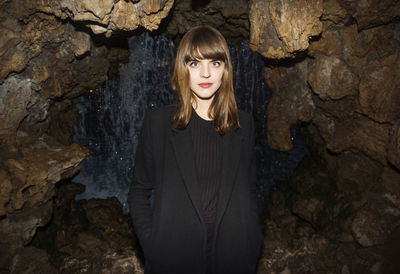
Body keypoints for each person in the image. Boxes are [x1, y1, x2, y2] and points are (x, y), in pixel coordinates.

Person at [128, 25, 263, 274]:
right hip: (174, 258)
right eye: (194, 64)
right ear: (183, 69)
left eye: (215, 63)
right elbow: (138, 192)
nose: (205, 73)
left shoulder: (244, 124)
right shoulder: (158, 123)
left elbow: (250, 188)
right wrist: (153, 245)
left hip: (234, 258)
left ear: (225, 70)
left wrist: (252, 238)